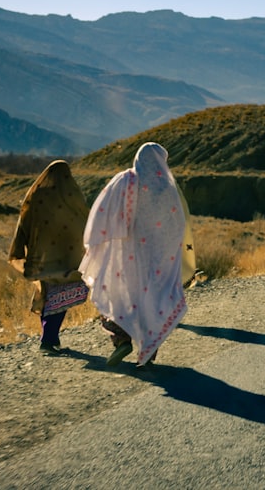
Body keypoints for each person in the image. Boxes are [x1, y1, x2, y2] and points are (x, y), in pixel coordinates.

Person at [78, 142, 189, 368]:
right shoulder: (167, 188)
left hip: (124, 254)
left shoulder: (125, 180)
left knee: (121, 295)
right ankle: (149, 350)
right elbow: (177, 225)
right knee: (150, 300)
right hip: (155, 259)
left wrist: (100, 241)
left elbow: (103, 211)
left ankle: (121, 340)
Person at [8, 160, 90, 355]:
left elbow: (25, 220)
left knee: (47, 293)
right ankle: (48, 338)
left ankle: (51, 337)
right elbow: (84, 218)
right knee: (60, 294)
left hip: (42, 256)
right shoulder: (72, 194)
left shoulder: (36, 195)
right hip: (66, 257)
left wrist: (25, 246)